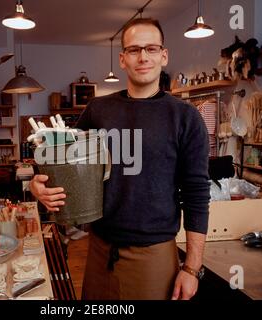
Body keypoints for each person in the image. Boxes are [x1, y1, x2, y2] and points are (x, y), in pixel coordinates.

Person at [30, 18, 210, 300]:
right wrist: (37, 184)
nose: (143, 57)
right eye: (135, 50)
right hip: (100, 249)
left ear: (164, 55)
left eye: (151, 48)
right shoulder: (98, 109)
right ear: (123, 59)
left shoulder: (185, 117)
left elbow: (197, 193)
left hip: (153, 254)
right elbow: (61, 157)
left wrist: (192, 267)